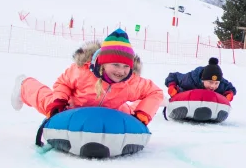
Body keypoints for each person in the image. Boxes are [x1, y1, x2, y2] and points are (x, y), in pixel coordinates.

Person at [11, 29, 163, 124]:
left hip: (111, 110)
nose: (121, 71)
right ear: (103, 63)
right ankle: (24, 85)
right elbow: (63, 83)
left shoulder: (131, 81)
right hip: (75, 107)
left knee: (129, 115)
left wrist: (143, 114)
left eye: (125, 66)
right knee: (47, 102)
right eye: (115, 65)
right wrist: (59, 100)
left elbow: (155, 92)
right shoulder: (82, 71)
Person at [165, 57, 236, 101]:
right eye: (210, 82)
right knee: (180, 91)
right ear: (203, 80)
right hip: (186, 98)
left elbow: (231, 88)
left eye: (216, 83)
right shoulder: (189, 79)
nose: (213, 86)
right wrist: (171, 86)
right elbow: (173, 76)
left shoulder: (221, 84)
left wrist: (229, 94)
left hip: (208, 102)